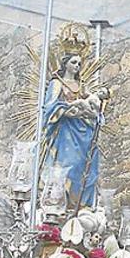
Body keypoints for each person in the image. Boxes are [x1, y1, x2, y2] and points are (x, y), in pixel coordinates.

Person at [42, 53, 103, 207]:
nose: (77, 66)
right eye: (74, 62)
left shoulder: (82, 85)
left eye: (79, 63)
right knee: (68, 167)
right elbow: (50, 107)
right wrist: (68, 109)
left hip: (85, 132)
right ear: (65, 63)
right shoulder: (57, 83)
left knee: (86, 170)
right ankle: (62, 204)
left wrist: (93, 112)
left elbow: (95, 108)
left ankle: (82, 206)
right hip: (66, 133)